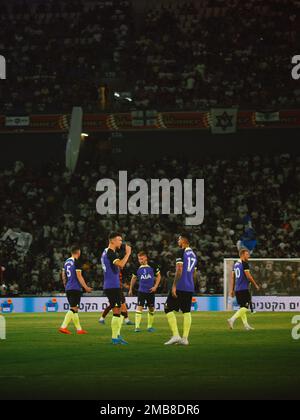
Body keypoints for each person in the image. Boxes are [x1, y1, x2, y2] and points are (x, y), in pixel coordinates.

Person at [164, 234, 198, 346]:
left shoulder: (181, 252)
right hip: (189, 286)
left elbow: (179, 269)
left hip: (180, 285)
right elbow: (194, 273)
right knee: (186, 312)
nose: (178, 241)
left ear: (183, 241)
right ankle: (185, 338)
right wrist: (192, 284)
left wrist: (174, 285)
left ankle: (175, 335)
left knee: (167, 308)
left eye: (179, 239)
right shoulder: (193, 254)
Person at [101, 233, 132, 345]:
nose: (121, 242)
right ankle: (114, 338)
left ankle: (117, 335)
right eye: (119, 240)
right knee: (116, 311)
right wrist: (128, 253)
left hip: (113, 285)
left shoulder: (106, 251)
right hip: (112, 286)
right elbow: (121, 264)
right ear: (112, 241)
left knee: (118, 311)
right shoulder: (110, 252)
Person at [59, 246, 92, 335]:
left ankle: (79, 329)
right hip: (75, 287)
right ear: (78, 252)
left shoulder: (66, 262)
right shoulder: (76, 262)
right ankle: (63, 327)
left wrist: (66, 285)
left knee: (75, 309)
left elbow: (63, 275)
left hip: (68, 288)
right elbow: (79, 276)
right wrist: (86, 287)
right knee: (73, 308)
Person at [228, 249, 260, 331]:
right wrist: (255, 284)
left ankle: (246, 325)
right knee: (245, 308)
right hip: (244, 289)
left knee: (242, 307)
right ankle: (232, 319)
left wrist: (231, 290)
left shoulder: (235, 264)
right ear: (242, 255)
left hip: (237, 289)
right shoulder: (244, 264)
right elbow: (248, 276)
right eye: (247, 254)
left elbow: (232, 277)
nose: (248, 256)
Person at [129, 251, 161, 333]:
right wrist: (130, 289)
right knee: (140, 307)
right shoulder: (137, 267)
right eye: (139, 259)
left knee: (151, 308)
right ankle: (137, 327)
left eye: (142, 259)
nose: (140, 261)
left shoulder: (152, 265)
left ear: (146, 258)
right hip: (141, 291)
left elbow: (159, 276)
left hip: (151, 291)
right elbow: (133, 278)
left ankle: (149, 327)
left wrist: (155, 287)